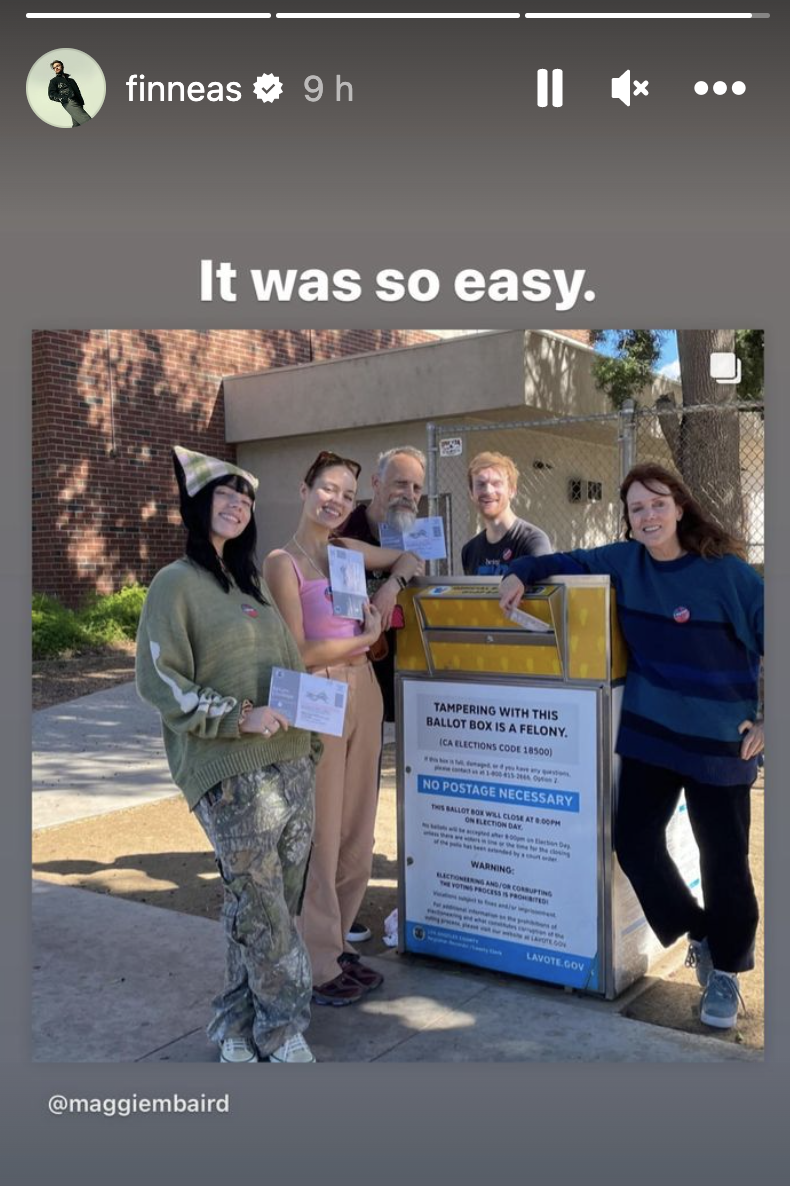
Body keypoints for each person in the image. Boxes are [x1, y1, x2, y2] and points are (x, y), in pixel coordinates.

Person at [499, 462, 764, 1030]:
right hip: (650, 735)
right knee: (634, 842)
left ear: (681, 507)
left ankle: (727, 974)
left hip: (721, 744)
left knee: (725, 861)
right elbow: (559, 562)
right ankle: (700, 933)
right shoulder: (624, 563)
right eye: (637, 508)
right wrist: (519, 572)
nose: (648, 516)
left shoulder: (730, 576)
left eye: (657, 504)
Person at [136, 446, 322, 1064]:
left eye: (244, 497)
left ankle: (233, 1025)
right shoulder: (174, 584)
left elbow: (287, 666)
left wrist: (312, 730)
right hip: (228, 770)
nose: (237, 505)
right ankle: (282, 1028)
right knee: (263, 904)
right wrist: (240, 717)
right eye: (224, 495)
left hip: (292, 761)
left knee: (267, 904)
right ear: (197, 506)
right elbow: (162, 682)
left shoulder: (252, 584)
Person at [263, 450, 423, 1006]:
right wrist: (362, 638)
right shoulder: (284, 563)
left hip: (365, 689)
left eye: (346, 494)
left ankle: (336, 943)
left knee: (358, 827)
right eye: (327, 488)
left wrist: (388, 590)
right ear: (305, 489)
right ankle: (315, 959)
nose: (335, 500)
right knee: (323, 833)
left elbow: (407, 556)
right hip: (318, 692)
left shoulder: (349, 552)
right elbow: (298, 650)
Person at [461, 451, 551, 575]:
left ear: (512, 490)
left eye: (496, 483)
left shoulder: (533, 541)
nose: (488, 490)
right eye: (480, 484)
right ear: (471, 493)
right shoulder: (469, 551)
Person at [48, 60, 92, 126]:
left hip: (78, 103)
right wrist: (64, 98)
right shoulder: (54, 81)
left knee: (77, 125)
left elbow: (78, 92)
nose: (56, 68)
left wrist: (81, 103)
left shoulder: (71, 80)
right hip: (69, 102)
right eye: (54, 68)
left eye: (57, 66)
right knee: (86, 120)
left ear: (62, 66)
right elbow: (51, 94)